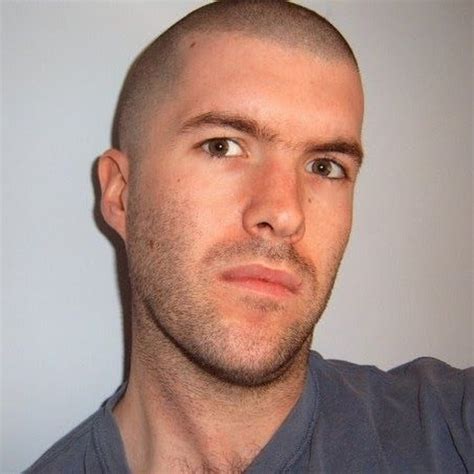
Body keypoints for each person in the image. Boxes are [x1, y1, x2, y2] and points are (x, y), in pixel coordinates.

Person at [26, 1, 473, 472]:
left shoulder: (449, 428)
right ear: (121, 194)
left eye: (325, 166)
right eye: (223, 146)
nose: (285, 213)